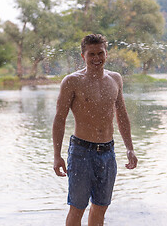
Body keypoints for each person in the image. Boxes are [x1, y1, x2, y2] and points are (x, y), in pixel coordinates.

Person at [53, 34, 138, 226]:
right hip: (81, 152)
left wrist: (130, 148)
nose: (96, 58)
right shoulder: (72, 81)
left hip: (108, 153)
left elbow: (122, 115)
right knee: (77, 207)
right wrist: (57, 155)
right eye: (91, 54)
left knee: (100, 207)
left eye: (100, 53)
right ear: (83, 56)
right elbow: (59, 119)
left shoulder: (115, 79)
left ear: (106, 54)